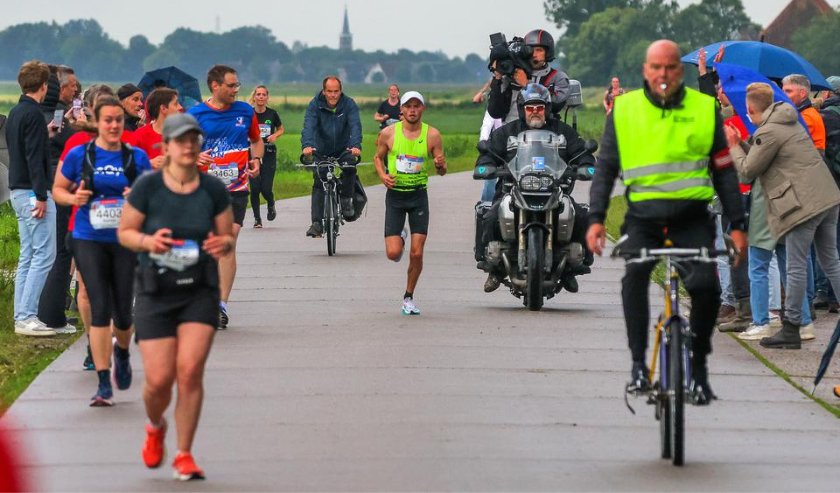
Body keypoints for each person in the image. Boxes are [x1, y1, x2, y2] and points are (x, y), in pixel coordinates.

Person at [586, 40, 748, 404]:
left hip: (692, 219)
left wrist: (738, 224)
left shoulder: (704, 109)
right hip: (643, 219)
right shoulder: (624, 111)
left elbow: (724, 171)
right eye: (656, 67)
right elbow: (606, 169)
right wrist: (596, 218)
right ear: (646, 70)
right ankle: (638, 365)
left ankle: (700, 366)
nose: (663, 74)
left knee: (707, 289)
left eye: (671, 67)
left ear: (680, 70)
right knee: (634, 279)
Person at [118, 113, 234, 482]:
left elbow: (227, 238)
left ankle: (184, 454)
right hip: (155, 291)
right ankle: (155, 425)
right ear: (165, 146)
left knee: (189, 371)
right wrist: (148, 242)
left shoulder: (213, 189)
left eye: (193, 140)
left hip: (199, 289)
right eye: (180, 140)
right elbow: (125, 232)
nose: (188, 146)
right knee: (158, 380)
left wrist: (223, 244)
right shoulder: (148, 188)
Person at [52, 96, 152, 405]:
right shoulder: (80, 155)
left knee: (123, 313)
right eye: (107, 120)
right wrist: (74, 199)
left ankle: (121, 351)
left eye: (118, 121)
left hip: (123, 240)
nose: (113, 125)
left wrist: (136, 195)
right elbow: (57, 190)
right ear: (96, 122)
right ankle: (102, 383)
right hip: (88, 237)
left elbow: (153, 198)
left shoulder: (135, 158)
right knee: (100, 308)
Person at [727, 83, 840, 349]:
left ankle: (792, 328)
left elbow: (746, 172)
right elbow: (762, 154)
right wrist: (743, 142)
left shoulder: (768, 131)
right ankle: (795, 324)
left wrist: (732, 145)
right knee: (830, 261)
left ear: (752, 110)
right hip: (827, 197)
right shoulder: (787, 122)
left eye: (748, 112)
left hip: (804, 206)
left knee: (796, 265)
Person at [476, 83, 594, 293]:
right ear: (522, 110)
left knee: (581, 215)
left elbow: (580, 150)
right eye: (530, 108)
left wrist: (585, 164)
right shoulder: (507, 132)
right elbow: (489, 151)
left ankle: (571, 269)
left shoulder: (561, 131)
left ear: (547, 109)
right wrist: (486, 164)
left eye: (539, 107)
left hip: (555, 190)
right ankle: (494, 269)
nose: (535, 112)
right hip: (513, 189)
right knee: (491, 215)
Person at [188, 64, 262, 330]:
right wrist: (195, 156)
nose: (236, 90)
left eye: (237, 85)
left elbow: (256, 140)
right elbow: (181, 148)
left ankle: (221, 305)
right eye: (231, 85)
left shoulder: (245, 111)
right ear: (215, 86)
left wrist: (257, 160)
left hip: (236, 189)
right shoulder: (196, 114)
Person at [374, 91, 446, 315]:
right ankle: (401, 237)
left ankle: (408, 296)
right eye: (408, 106)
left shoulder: (432, 135)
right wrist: (383, 176)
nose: (413, 110)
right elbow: (378, 158)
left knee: (417, 253)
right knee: (394, 254)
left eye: (417, 106)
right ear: (401, 110)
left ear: (422, 109)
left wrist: (439, 165)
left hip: (418, 197)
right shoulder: (388, 133)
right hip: (395, 196)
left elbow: (442, 171)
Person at [6, 60, 58, 337]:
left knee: (27, 256)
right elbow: (35, 160)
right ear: (44, 85)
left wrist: (44, 134)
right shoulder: (35, 115)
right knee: (44, 255)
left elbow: (24, 148)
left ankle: (21, 315)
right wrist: (41, 195)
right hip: (33, 192)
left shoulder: (16, 113)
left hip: (17, 190)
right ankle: (28, 316)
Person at [37, 65, 80, 335]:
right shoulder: (60, 117)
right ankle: (52, 315)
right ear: (59, 87)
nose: (76, 89)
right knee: (61, 252)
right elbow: (73, 143)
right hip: (58, 185)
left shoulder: (34, 113)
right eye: (72, 84)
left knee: (43, 253)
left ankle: (40, 311)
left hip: (42, 185)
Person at [301, 76, 362, 237]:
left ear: (340, 91)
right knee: (319, 179)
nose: (333, 95)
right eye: (329, 91)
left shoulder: (349, 104)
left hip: (344, 147)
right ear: (324, 91)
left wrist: (355, 146)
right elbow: (309, 125)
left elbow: (355, 125)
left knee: (350, 167)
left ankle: (347, 200)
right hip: (321, 148)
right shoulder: (315, 105)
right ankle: (316, 223)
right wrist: (307, 146)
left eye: (336, 91)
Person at [487, 29, 570, 123]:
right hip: (511, 132)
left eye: (539, 50)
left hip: (545, 133)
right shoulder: (510, 75)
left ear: (547, 53)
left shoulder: (558, 77)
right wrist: (497, 78)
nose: (534, 54)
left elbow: (556, 105)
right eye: (530, 50)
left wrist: (527, 84)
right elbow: (495, 112)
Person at [248, 85, 283, 228]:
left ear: (267, 97)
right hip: (252, 153)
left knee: (266, 189)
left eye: (263, 94)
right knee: (255, 188)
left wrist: (275, 135)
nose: (261, 97)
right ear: (254, 97)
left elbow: (281, 129)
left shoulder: (272, 114)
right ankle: (257, 219)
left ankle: (270, 203)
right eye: (258, 94)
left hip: (268, 153)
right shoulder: (249, 114)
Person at [131, 88, 183, 169]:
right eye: (176, 104)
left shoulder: (184, 135)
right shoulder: (139, 136)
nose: (180, 107)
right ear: (163, 109)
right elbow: (127, 165)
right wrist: (148, 163)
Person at [782, 74, 826, 151]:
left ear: (803, 94)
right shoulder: (805, 112)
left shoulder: (806, 116)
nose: (783, 95)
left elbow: (788, 143)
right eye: (783, 91)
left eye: (788, 91)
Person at [478, 111, 502, 204]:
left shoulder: (527, 104)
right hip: (499, 147)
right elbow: (487, 125)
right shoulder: (496, 105)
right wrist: (483, 140)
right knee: (489, 174)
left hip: (523, 147)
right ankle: (486, 207)